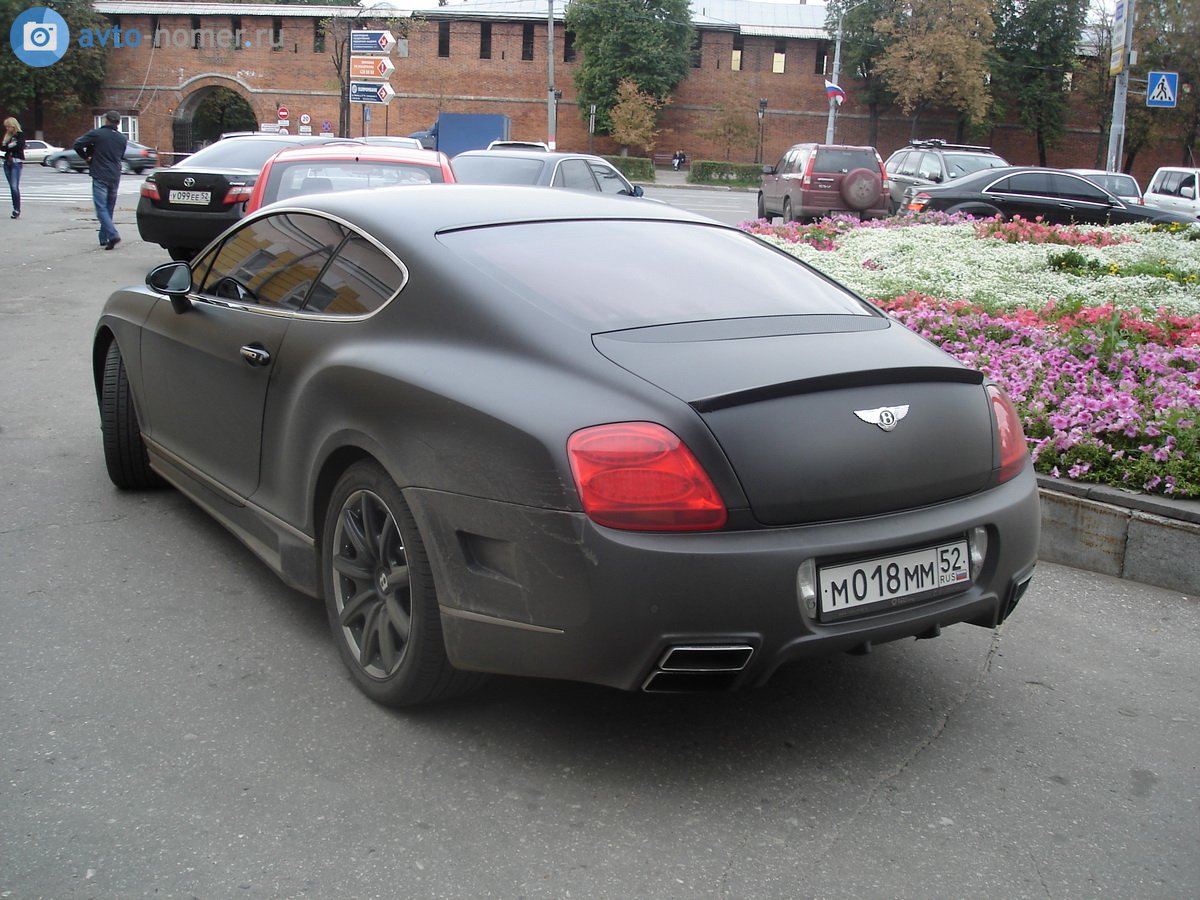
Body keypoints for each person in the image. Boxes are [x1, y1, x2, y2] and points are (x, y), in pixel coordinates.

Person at [73, 111, 128, 249]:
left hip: (100, 173)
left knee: (101, 208)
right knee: (109, 207)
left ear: (107, 120)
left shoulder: (97, 134)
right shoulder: (122, 138)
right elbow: (120, 155)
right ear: (118, 123)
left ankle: (113, 234)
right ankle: (104, 237)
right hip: (115, 174)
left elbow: (77, 144)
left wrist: (86, 157)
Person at [2, 116, 24, 219]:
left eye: (9, 127)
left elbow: (20, 146)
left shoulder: (20, 135)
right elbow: (3, 147)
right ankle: (15, 208)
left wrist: (9, 146)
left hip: (16, 162)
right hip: (7, 162)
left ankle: (17, 209)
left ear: (13, 126)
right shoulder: (7, 136)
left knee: (15, 186)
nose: (7, 129)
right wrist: (10, 145)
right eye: (6, 127)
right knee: (11, 186)